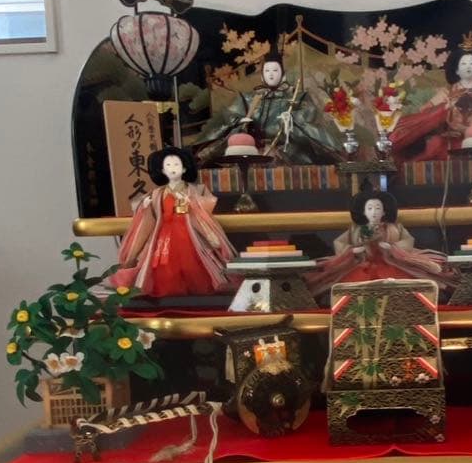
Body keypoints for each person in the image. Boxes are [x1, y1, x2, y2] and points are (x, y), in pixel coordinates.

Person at [112, 147, 237, 297]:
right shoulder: (155, 196)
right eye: (168, 165)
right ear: (162, 170)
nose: (172, 168)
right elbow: (146, 225)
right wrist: (132, 255)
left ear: (184, 168)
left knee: (193, 267)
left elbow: (205, 215)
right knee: (165, 270)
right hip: (164, 239)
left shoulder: (198, 191)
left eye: (176, 164)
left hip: (192, 237)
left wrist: (191, 205)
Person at [306, 189, 457, 301]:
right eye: (369, 208)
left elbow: (407, 242)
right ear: (363, 212)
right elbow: (340, 243)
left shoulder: (394, 228)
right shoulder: (356, 229)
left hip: (391, 264)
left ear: (384, 211)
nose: (374, 212)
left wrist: (392, 248)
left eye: (377, 208)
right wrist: (354, 251)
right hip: (362, 266)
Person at [196, 53, 344, 166]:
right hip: (252, 147)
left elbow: (307, 116)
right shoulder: (248, 98)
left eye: (275, 70)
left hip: (287, 148)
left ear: (283, 75)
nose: (271, 74)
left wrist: (291, 119)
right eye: (267, 71)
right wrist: (242, 122)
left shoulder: (297, 97)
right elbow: (232, 116)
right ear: (262, 76)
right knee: (234, 141)